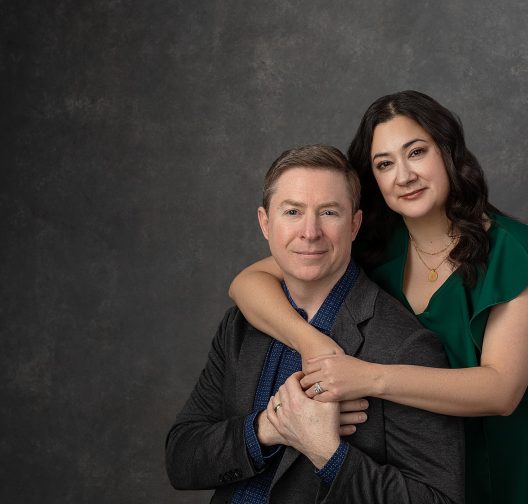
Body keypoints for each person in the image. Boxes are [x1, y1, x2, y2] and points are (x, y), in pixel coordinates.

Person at [228, 91, 528, 503]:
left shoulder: (516, 252)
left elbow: (501, 391)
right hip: (412, 465)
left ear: (448, 151)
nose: (403, 175)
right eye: (384, 164)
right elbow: (247, 283)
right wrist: (314, 345)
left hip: (502, 461)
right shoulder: (373, 243)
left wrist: (367, 376)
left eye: (417, 152)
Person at [165, 144, 464, 504]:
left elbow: (438, 500)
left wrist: (328, 453)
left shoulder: (404, 345)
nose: (310, 232)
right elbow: (181, 458)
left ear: (354, 225)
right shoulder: (240, 326)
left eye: (329, 212)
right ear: (265, 223)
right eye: (292, 211)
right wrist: (266, 429)